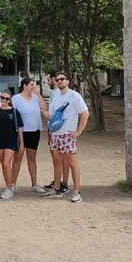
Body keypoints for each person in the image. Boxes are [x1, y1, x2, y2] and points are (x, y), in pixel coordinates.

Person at [42, 71, 89, 203]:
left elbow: (85, 113)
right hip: (56, 134)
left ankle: (77, 192)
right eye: (57, 80)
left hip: (68, 135)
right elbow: (53, 115)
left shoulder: (74, 96)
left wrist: (79, 131)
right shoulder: (54, 95)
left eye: (62, 79)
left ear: (68, 81)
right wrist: (48, 117)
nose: (60, 81)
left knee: (72, 162)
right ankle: (57, 189)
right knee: (56, 161)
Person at [11, 77, 49, 194]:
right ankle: (12, 183)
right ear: (25, 86)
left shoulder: (36, 98)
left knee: (32, 158)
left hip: (34, 130)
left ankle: (34, 183)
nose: (33, 87)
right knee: (18, 157)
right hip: (21, 131)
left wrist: (39, 95)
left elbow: (44, 108)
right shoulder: (16, 98)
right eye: (31, 84)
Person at [0, 90, 24, 200]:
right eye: (2, 98)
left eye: (7, 98)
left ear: (10, 100)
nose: (4, 100)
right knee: (4, 166)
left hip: (11, 141)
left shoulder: (15, 112)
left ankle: (9, 188)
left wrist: (21, 143)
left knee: (6, 164)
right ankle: (8, 187)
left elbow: (20, 129)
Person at [42, 71, 70, 193]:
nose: (48, 82)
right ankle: (57, 181)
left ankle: (65, 182)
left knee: (65, 158)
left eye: (49, 79)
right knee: (56, 158)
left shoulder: (65, 94)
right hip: (54, 130)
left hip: (63, 130)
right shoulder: (54, 94)